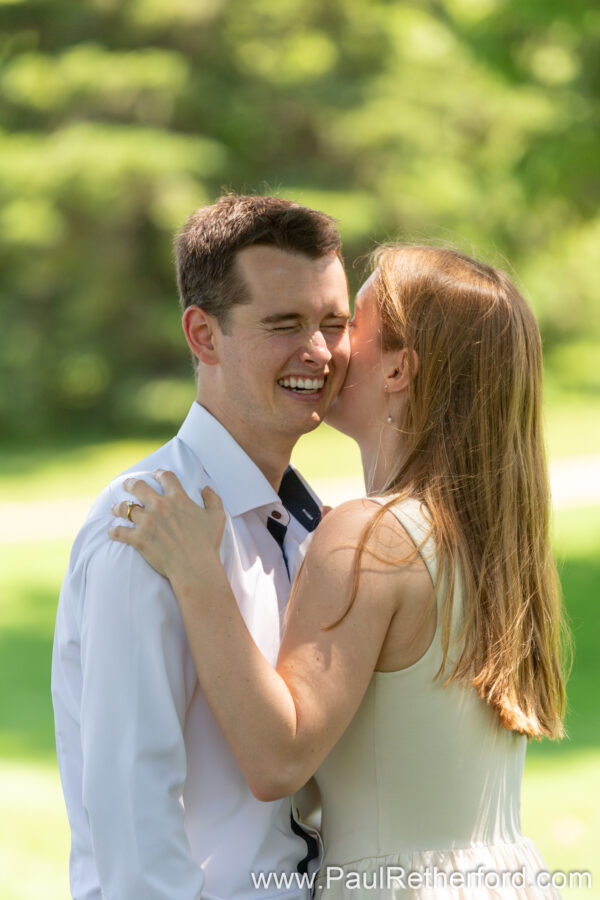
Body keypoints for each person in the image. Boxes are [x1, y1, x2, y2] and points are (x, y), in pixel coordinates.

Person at [111, 245, 568, 898]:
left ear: (399, 370)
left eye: (348, 324)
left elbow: (279, 758)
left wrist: (197, 575)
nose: (326, 348)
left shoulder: (367, 536)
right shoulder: (486, 534)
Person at [51, 194, 352, 899]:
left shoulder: (311, 522)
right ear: (203, 335)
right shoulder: (144, 527)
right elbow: (134, 826)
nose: (319, 351)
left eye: (334, 323)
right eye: (285, 324)